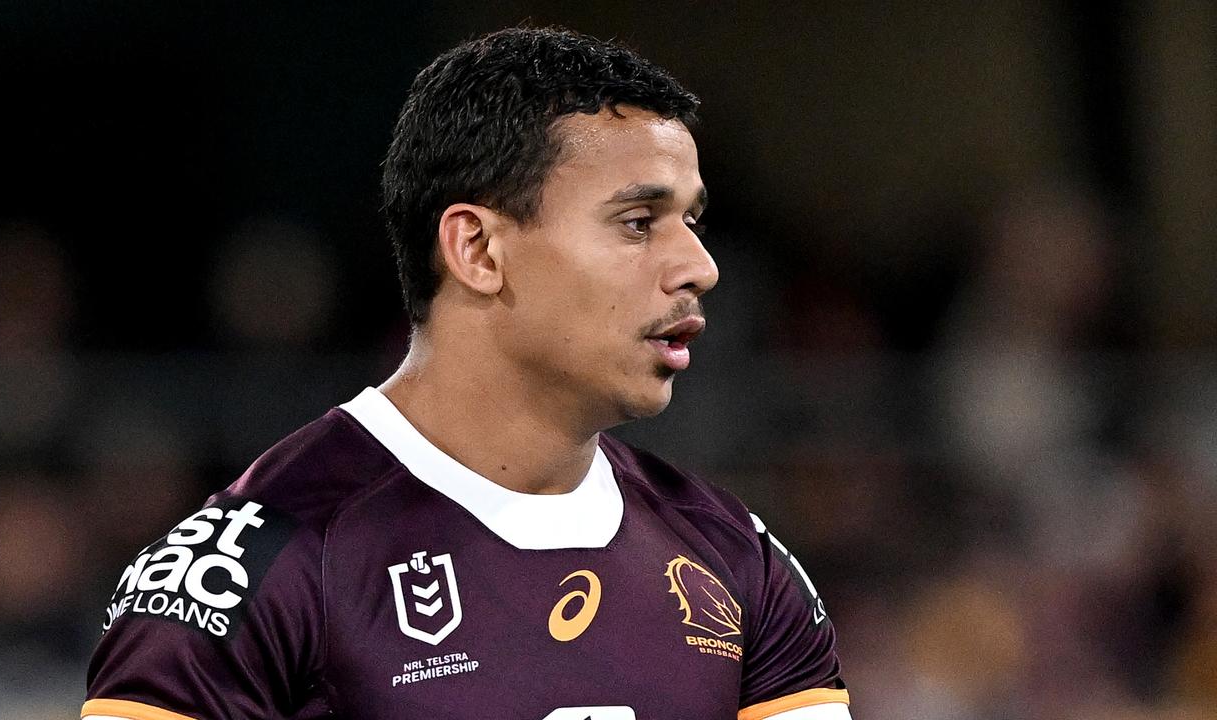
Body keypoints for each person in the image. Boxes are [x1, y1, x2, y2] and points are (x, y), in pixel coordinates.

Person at [82, 27, 849, 720]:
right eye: (638, 222)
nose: (700, 267)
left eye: (694, 221)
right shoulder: (247, 574)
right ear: (477, 250)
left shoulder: (734, 560)